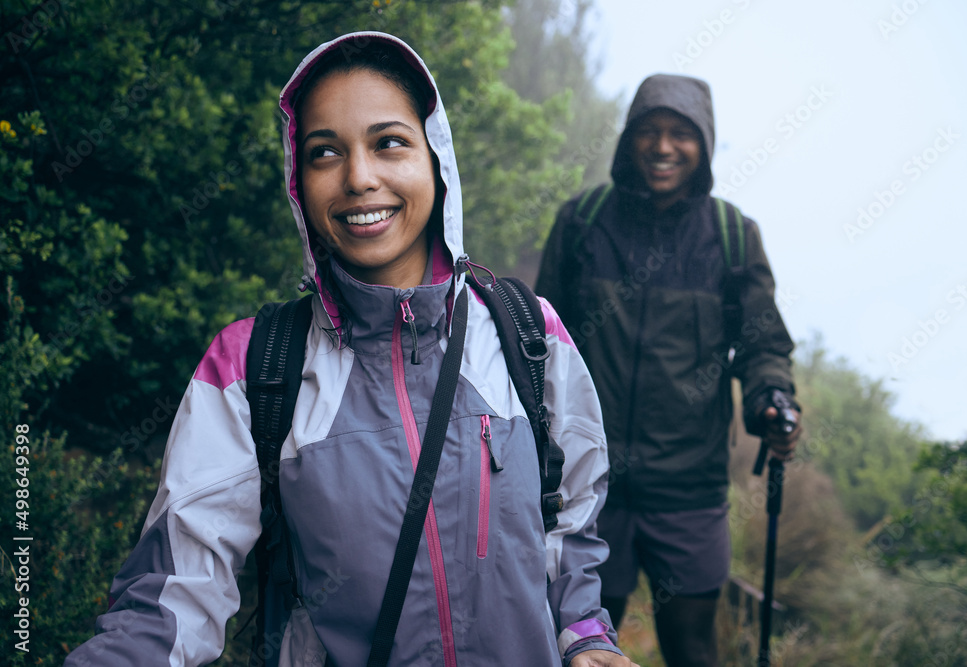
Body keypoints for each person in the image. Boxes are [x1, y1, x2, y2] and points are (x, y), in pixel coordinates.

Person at [66, 32, 638, 667]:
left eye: (388, 143)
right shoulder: (251, 368)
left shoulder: (528, 334)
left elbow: (569, 519)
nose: (359, 177)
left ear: (436, 159)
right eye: (324, 153)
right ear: (299, 180)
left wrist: (585, 636)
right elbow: (175, 594)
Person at [535, 74, 802, 667]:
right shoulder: (583, 222)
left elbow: (762, 347)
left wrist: (772, 399)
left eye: (680, 134)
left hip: (688, 490)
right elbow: (539, 344)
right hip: (587, 489)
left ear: (704, 145)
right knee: (577, 648)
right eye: (649, 132)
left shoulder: (733, 238)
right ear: (628, 140)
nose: (662, 147)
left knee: (691, 647)